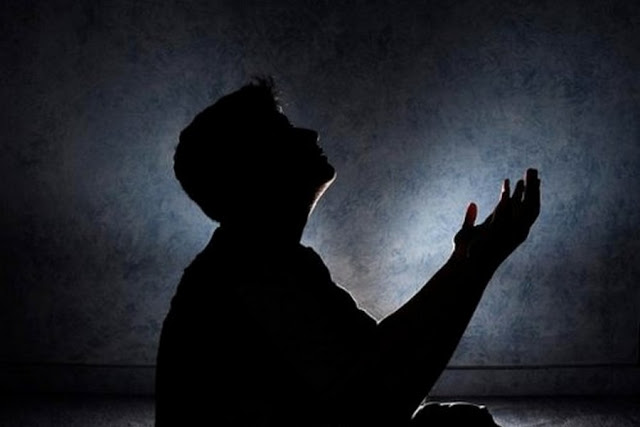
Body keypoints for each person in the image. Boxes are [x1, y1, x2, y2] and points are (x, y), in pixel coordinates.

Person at [155, 78, 541, 426]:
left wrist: (465, 263)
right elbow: (380, 403)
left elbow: (380, 358)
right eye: (283, 131)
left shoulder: (274, 260)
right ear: (253, 167)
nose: (311, 134)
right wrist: (477, 266)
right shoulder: (248, 272)